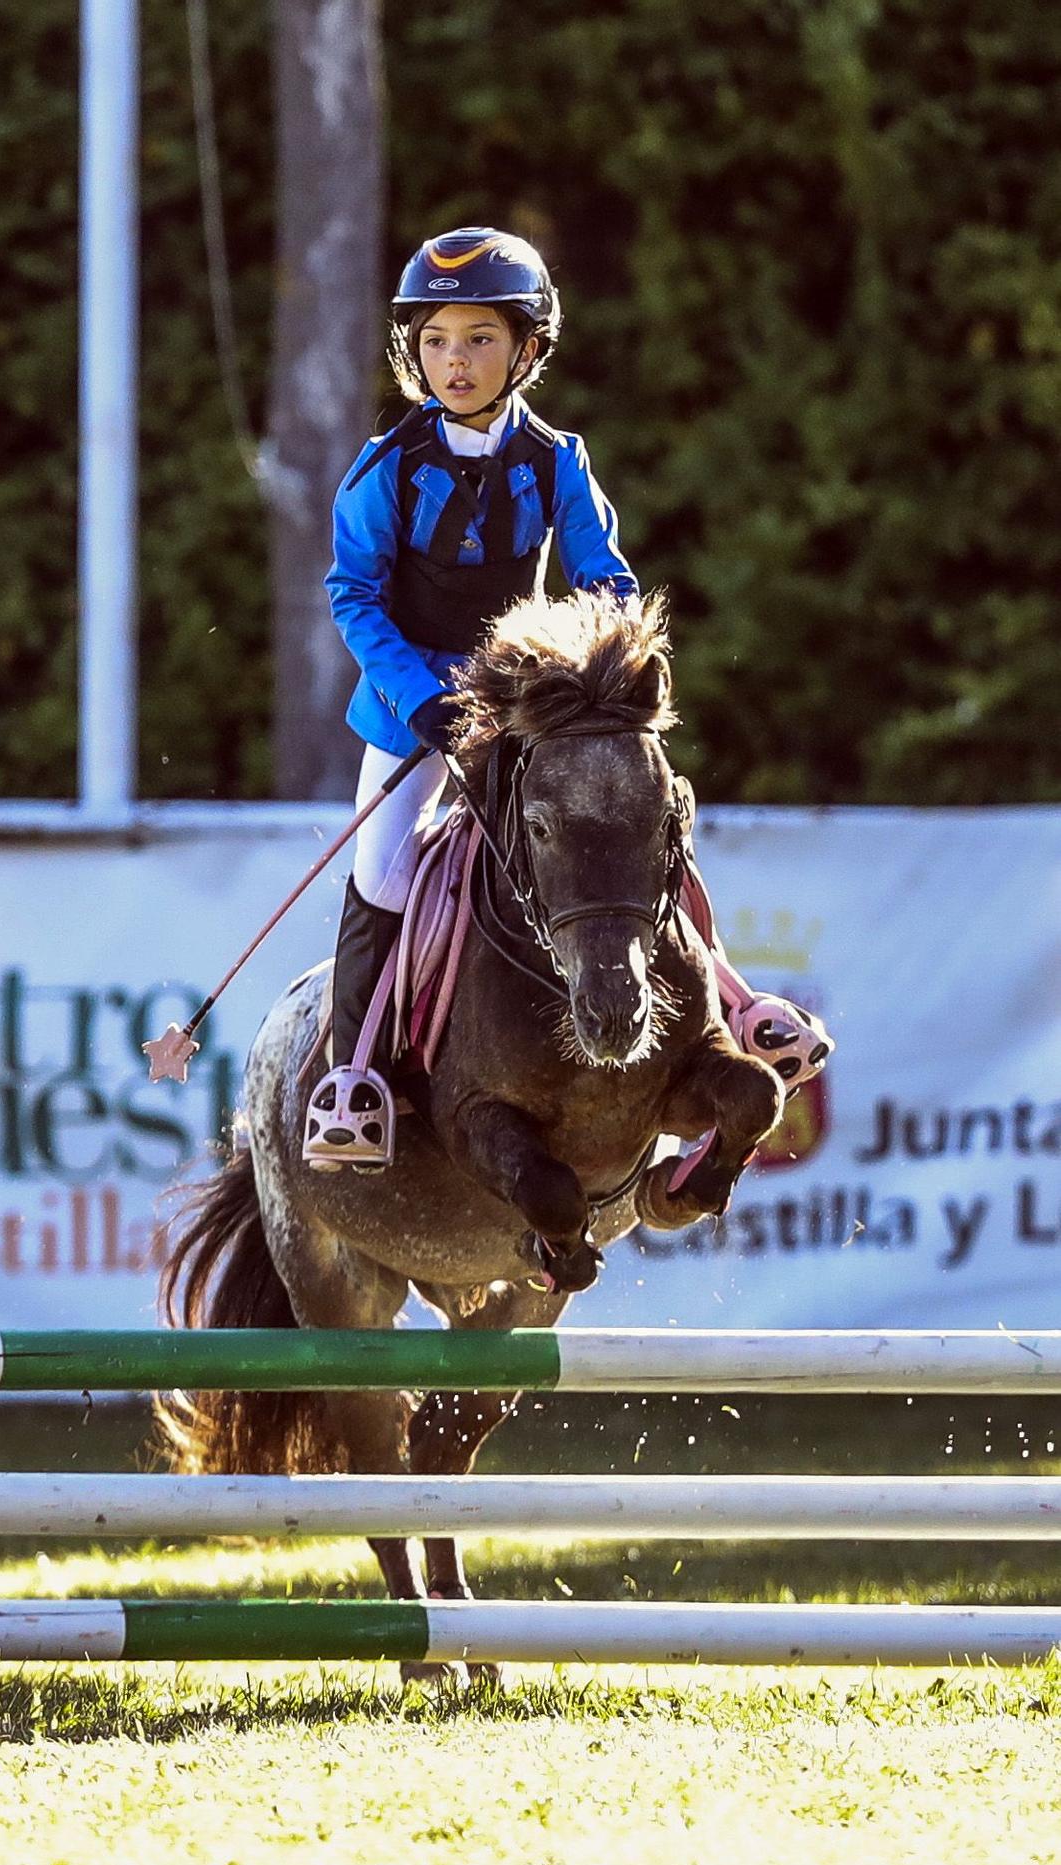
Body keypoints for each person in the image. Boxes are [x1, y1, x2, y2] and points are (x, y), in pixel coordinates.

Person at [304, 226, 829, 1172]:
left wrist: (603, 666)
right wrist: (421, 697)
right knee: (382, 873)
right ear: (410, 350)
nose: (453, 362)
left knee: (630, 823)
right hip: (412, 705)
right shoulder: (386, 467)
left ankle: (738, 1008)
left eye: (478, 340)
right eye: (434, 341)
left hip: (535, 701)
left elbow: (605, 578)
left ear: (527, 350)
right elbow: (355, 595)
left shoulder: (559, 461)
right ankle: (355, 1080)